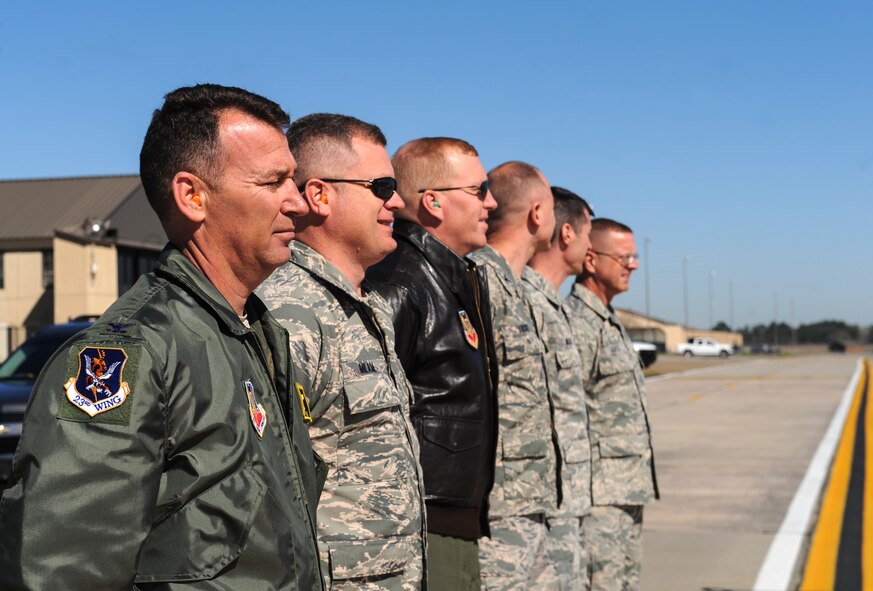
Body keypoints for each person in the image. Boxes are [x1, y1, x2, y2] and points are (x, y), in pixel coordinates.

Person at [0, 84, 325, 590]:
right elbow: (64, 571)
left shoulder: (257, 335)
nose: (299, 203)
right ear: (193, 196)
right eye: (273, 182)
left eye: (294, 180)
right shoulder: (131, 356)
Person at [258, 113, 427, 590]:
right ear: (319, 195)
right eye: (380, 185)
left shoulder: (361, 305)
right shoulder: (291, 313)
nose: (395, 200)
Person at [365, 137, 500, 590]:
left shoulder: (455, 274)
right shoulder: (401, 283)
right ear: (434, 202)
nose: (492, 203)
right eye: (480, 190)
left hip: (452, 519)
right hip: (424, 522)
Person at [468, 161, 559, 589]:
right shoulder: (481, 280)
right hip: (499, 507)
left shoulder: (516, 286)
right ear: (538, 214)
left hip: (531, 501)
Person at [565, 218, 659, 591]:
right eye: (624, 257)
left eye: (634, 257)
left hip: (625, 491)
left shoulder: (607, 321)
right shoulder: (578, 324)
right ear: (591, 259)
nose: (633, 265)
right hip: (598, 499)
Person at [522, 186, 595, 591]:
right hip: (539, 509)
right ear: (567, 234)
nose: (591, 247)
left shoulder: (551, 304)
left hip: (565, 504)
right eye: (587, 234)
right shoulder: (525, 301)